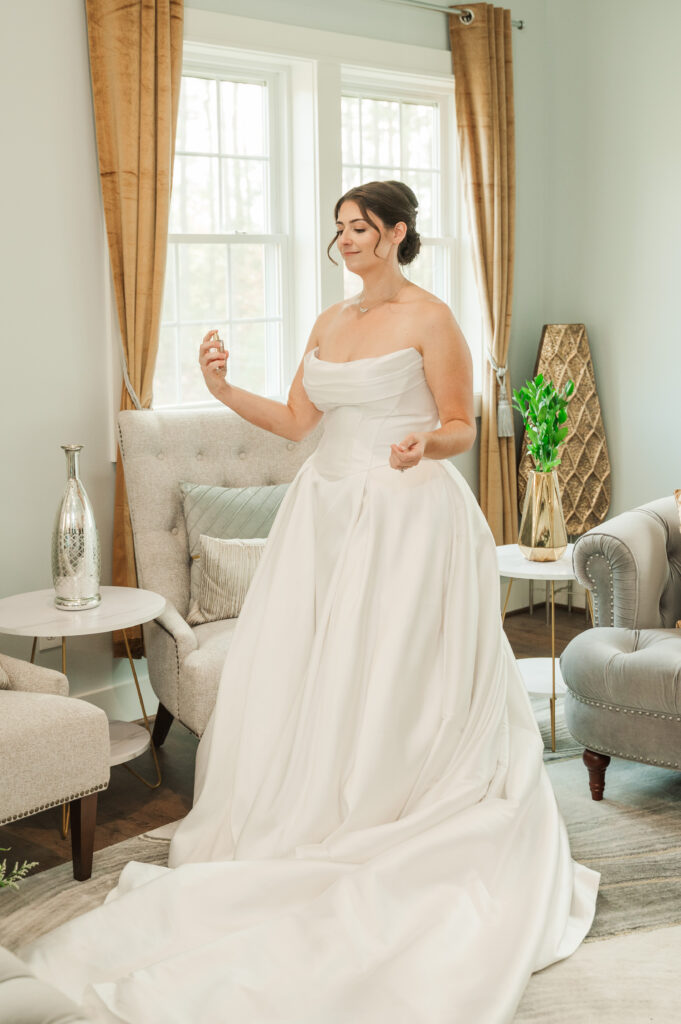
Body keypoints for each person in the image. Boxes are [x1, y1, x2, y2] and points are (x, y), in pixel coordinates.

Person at [21, 180, 599, 1024]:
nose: (346, 241)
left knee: (398, 668)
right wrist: (221, 388)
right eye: (340, 230)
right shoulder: (329, 322)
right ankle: (321, 806)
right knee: (324, 664)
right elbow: (298, 421)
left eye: (360, 228)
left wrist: (423, 444)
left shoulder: (433, 318)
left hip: (405, 515)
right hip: (325, 513)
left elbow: (461, 424)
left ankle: (396, 797)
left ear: (396, 233)